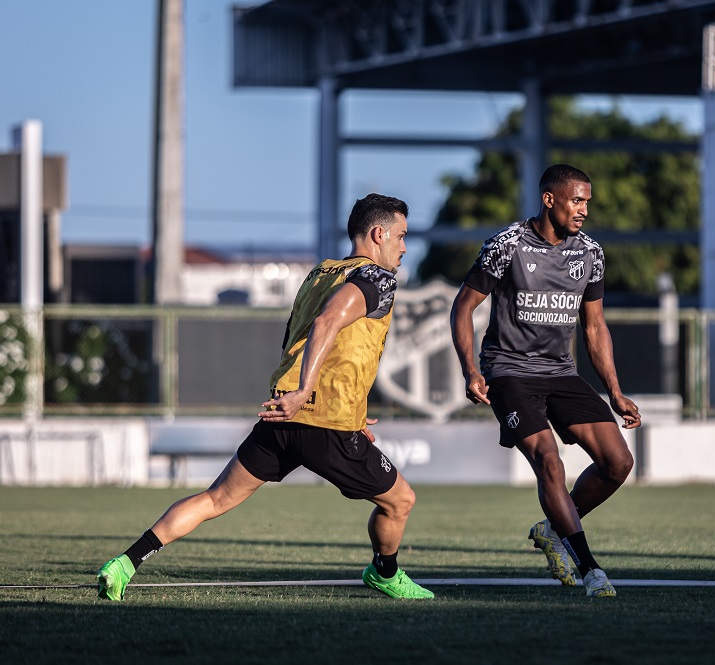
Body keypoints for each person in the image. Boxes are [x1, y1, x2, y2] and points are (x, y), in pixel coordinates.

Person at [97, 193, 434, 601]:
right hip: (322, 421)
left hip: (283, 415)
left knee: (216, 498)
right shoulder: (378, 278)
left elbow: (302, 339)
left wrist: (325, 402)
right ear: (378, 234)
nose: (403, 247)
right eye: (400, 236)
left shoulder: (320, 273)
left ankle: (124, 564)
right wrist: (312, 393)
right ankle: (385, 572)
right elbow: (329, 321)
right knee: (400, 501)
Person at [450, 164, 641, 598]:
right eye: (577, 200)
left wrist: (614, 391)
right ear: (549, 199)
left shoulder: (590, 253)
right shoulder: (507, 245)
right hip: (509, 371)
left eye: (588, 202)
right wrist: (470, 369)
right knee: (548, 460)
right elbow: (463, 308)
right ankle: (590, 569)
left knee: (618, 463)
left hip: (561, 372)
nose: (584, 210)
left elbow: (594, 327)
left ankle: (554, 527)